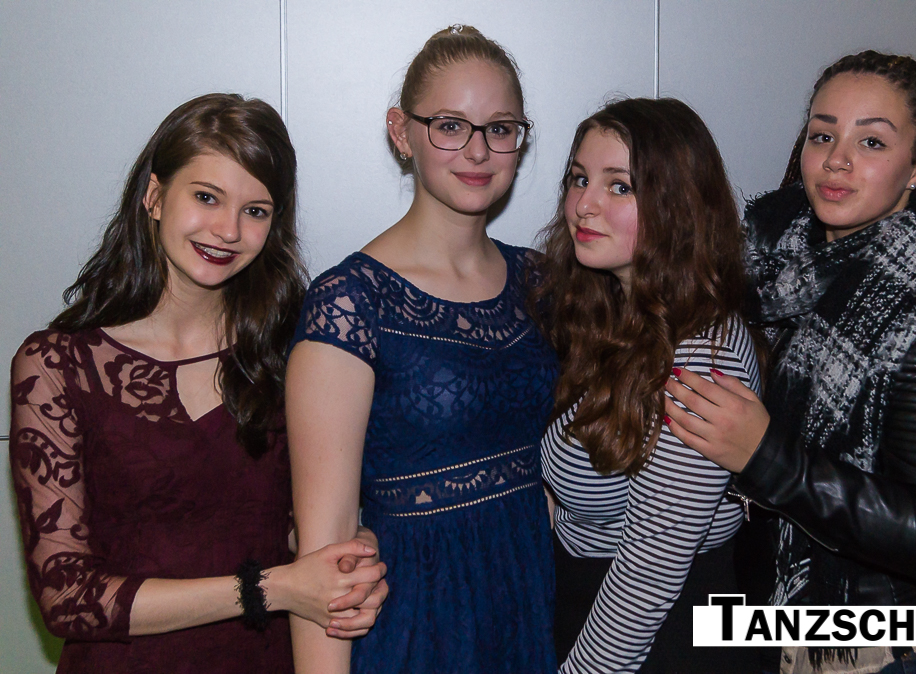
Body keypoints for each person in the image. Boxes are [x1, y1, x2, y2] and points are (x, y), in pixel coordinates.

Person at [9, 93, 387, 674]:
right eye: (206, 197)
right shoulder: (57, 365)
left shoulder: (297, 351)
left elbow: (296, 527)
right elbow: (68, 599)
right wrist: (272, 589)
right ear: (154, 196)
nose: (227, 230)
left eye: (255, 210)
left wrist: (354, 555)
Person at [665, 51, 916, 674]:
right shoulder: (772, 287)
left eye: (871, 141)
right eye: (823, 135)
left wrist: (766, 458)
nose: (837, 159)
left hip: (889, 654)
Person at [286, 26, 557, 674]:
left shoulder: (544, 283)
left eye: (500, 129)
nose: (478, 150)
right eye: (449, 126)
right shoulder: (351, 302)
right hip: (416, 625)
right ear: (401, 132)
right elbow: (324, 559)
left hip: (532, 606)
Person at [535, 97, 760, 674]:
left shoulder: (701, 357)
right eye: (580, 178)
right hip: (599, 620)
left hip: (664, 643)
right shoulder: (615, 316)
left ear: (677, 206)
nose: (584, 204)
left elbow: (649, 573)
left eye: (620, 187)